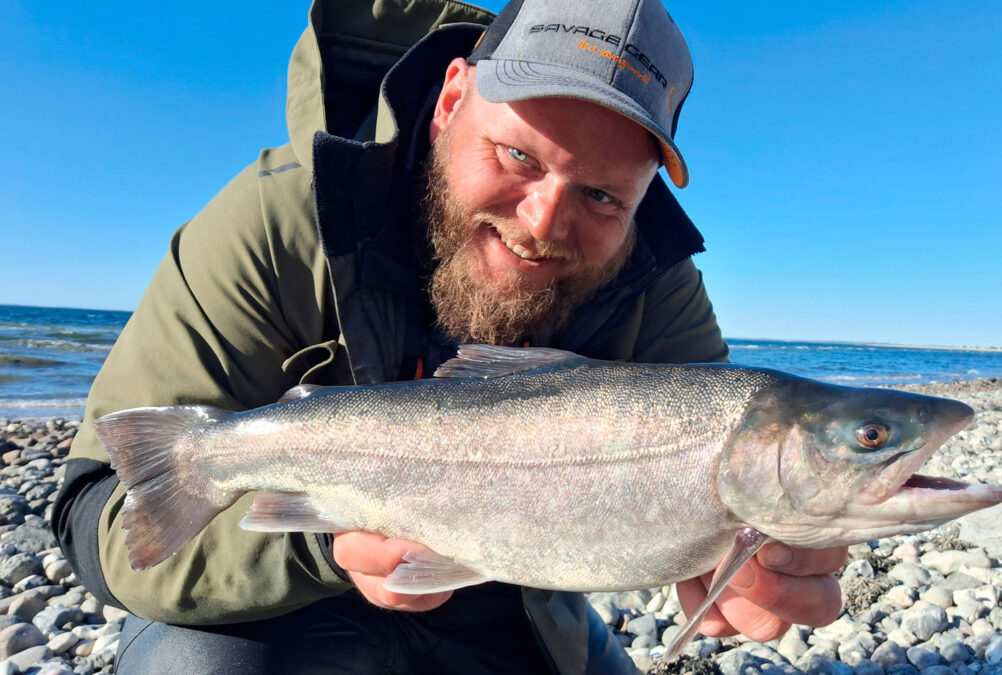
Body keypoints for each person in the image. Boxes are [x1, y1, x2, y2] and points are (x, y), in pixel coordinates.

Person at [51, 0, 846, 672]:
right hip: (283, 614)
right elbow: (100, 519)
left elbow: (736, 476)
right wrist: (327, 544)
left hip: (519, 615)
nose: (543, 224)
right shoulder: (276, 225)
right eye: (517, 155)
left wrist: (755, 562)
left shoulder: (654, 280)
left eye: (603, 195)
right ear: (450, 100)